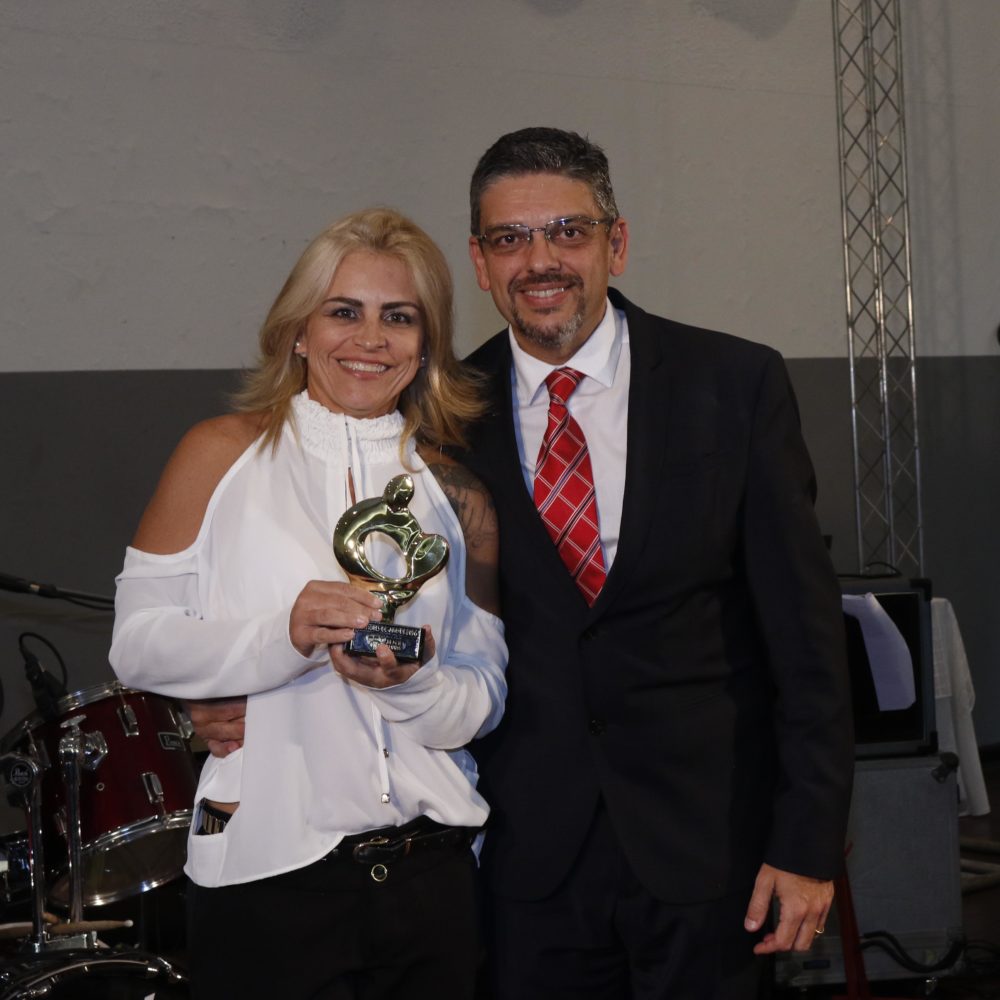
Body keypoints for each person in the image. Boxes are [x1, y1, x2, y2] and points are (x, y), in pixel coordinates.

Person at [190, 128, 854, 999]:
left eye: (568, 232)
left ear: (616, 243)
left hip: (709, 850)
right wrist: (223, 692)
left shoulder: (734, 383)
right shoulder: (434, 421)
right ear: (479, 261)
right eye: (510, 238)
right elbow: (347, 600)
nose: (540, 261)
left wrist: (806, 841)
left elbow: (805, 637)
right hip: (524, 860)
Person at [109, 207, 507, 1000]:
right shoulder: (218, 454)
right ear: (298, 330)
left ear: (426, 343)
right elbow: (137, 645)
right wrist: (282, 637)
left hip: (430, 879)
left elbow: (483, 700)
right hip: (268, 881)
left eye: (399, 317)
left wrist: (412, 684)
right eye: (343, 312)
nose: (371, 339)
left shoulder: (458, 493)